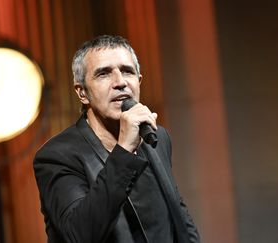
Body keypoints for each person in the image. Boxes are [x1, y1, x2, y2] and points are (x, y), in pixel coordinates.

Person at [33, 35, 200, 243]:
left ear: (138, 82)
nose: (120, 82)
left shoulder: (158, 137)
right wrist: (124, 151)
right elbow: (80, 234)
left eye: (127, 71)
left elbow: (179, 217)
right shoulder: (57, 156)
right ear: (82, 92)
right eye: (103, 74)